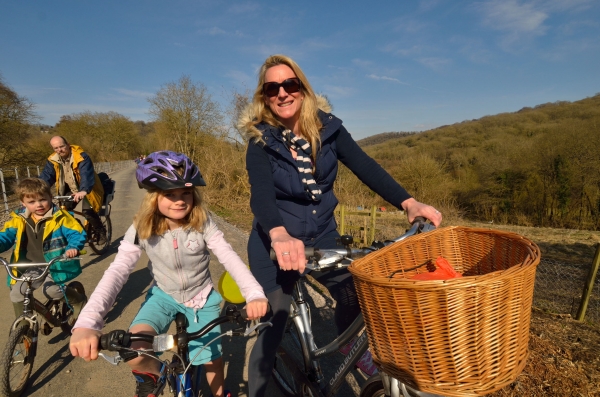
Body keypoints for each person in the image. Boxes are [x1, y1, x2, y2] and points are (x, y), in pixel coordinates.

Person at [239, 54, 443, 397]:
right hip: (276, 244)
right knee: (272, 330)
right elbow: (261, 195)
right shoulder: (261, 140)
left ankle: (351, 350)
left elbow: (365, 165)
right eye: (272, 88)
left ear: (302, 89)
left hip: (322, 236)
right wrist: (277, 233)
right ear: (264, 97)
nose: (282, 93)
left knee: (354, 295)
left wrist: (409, 202)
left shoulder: (328, 129)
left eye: (289, 84)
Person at [69, 151, 269, 397]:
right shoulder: (141, 228)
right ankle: (155, 373)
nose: (179, 200)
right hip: (162, 296)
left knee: (210, 359)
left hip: (201, 299)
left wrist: (254, 294)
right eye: (169, 194)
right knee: (134, 350)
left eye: (186, 193)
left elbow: (229, 257)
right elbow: (118, 271)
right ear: (153, 197)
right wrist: (88, 322)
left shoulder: (203, 222)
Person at [0, 178, 87, 326]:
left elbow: (76, 233)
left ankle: (78, 300)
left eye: (42, 200)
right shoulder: (18, 219)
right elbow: (5, 237)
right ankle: (23, 327)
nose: (39, 205)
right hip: (30, 265)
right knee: (17, 293)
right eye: (32, 202)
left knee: (51, 291)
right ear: (23, 203)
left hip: (55, 263)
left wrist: (73, 247)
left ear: (50, 198)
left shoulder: (60, 217)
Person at [40, 136, 106, 243]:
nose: (59, 150)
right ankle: (77, 229)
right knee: (63, 211)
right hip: (72, 189)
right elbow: (46, 177)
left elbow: (86, 175)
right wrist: (36, 191)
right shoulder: (53, 160)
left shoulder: (81, 156)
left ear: (68, 144)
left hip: (90, 189)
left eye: (61, 146)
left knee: (87, 211)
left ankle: (100, 231)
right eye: (55, 148)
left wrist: (83, 190)